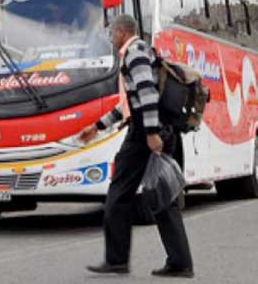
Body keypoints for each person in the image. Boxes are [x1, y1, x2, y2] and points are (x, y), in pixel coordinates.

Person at [80, 15, 194, 278]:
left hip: (146, 131)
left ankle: (117, 259)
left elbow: (147, 95)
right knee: (162, 194)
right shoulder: (139, 52)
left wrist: (152, 133)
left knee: (119, 192)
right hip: (152, 128)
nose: (109, 37)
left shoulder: (135, 53)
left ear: (122, 31)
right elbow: (129, 105)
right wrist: (98, 127)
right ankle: (180, 262)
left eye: (111, 32)